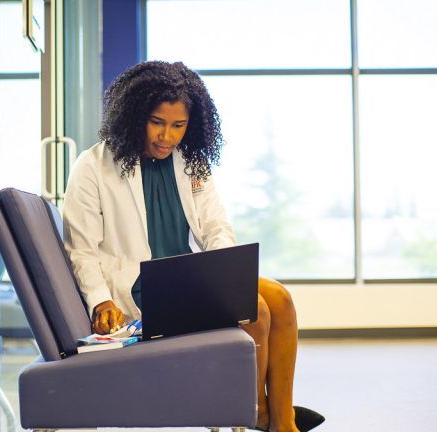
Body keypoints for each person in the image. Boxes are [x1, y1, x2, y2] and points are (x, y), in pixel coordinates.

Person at [61, 61, 324, 432]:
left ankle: (282, 419)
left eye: (178, 126)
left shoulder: (191, 163)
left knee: (279, 297)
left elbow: (215, 226)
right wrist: (100, 298)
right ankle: (258, 412)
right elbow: (81, 248)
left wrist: (226, 274)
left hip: (189, 282)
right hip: (142, 292)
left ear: (192, 124)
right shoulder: (93, 166)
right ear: (134, 115)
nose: (166, 137)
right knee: (259, 310)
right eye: (157, 122)